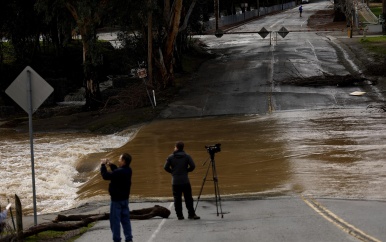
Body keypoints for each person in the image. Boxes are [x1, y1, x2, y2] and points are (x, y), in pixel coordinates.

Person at [101, 153, 133, 242]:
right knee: (125, 220)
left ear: (123, 161)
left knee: (115, 222)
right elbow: (117, 171)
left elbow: (105, 176)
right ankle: (129, 238)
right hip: (125, 200)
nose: (118, 160)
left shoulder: (119, 172)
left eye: (119, 159)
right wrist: (110, 164)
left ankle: (117, 239)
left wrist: (103, 165)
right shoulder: (128, 170)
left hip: (116, 201)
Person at [164, 141, 200, 220]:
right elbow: (193, 166)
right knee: (188, 198)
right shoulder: (187, 156)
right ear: (183, 147)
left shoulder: (170, 157)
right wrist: (187, 170)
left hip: (175, 181)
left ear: (176, 147)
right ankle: (191, 214)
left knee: (177, 198)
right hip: (185, 180)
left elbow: (165, 167)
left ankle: (180, 216)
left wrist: (172, 172)